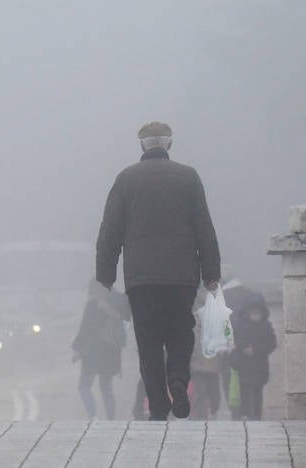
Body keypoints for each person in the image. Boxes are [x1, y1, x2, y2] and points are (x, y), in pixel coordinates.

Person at [96, 121, 222, 420]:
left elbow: (109, 231)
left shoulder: (126, 179)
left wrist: (105, 275)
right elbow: (204, 228)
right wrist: (211, 272)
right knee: (181, 333)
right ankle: (178, 381)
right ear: (170, 144)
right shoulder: (188, 178)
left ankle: (158, 404)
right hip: (182, 277)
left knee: (148, 340)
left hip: (142, 279)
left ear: (142, 145)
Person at [71, 279, 129, 419]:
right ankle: (111, 419)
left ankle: (92, 416)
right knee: (106, 388)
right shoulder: (118, 301)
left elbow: (85, 329)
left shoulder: (93, 304)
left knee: (84, 386)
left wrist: (77, 348)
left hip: (93, 351)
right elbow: (126, 320)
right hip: (112, 351)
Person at [229, 295, 276, 420]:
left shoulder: (266, 326)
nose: (256, 315)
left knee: (257, 390)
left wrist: (255, 350)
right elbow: (234, 341)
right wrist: (241, 349)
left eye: (258, 313)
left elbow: (271, 344)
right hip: (243, 363)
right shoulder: (240, 325)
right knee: (244, 389)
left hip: (259, 364)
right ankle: (244, 413)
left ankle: (256, 415)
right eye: (253, 313)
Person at [188, 288, 223, 420]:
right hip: (199, 362)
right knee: (201, 391)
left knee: (211, 391)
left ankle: (211, 412)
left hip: (209, 362)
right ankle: (202, 414)